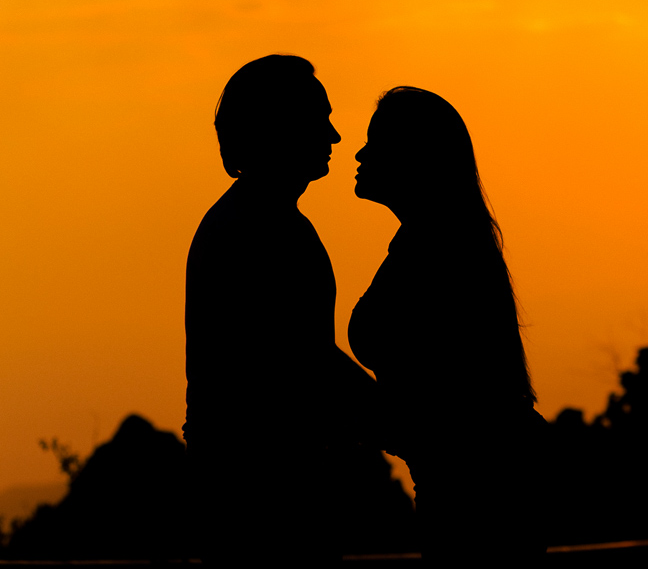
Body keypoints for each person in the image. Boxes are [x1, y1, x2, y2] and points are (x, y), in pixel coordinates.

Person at [184, 55, 377, 566]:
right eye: (319, 119)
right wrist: (409, 424)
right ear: (279, 127)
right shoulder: (257, 229)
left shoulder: (259, 222)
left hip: (258, 491)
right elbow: (305, 360)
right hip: (262, 500)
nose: (334, 136)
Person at [348, 86, 548, 565]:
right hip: (464, 481)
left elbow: (445, 392)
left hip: (477, 491)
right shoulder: (429, 244)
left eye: (375, 143)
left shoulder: (440, 254)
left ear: (413, 158)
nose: (359, 154)